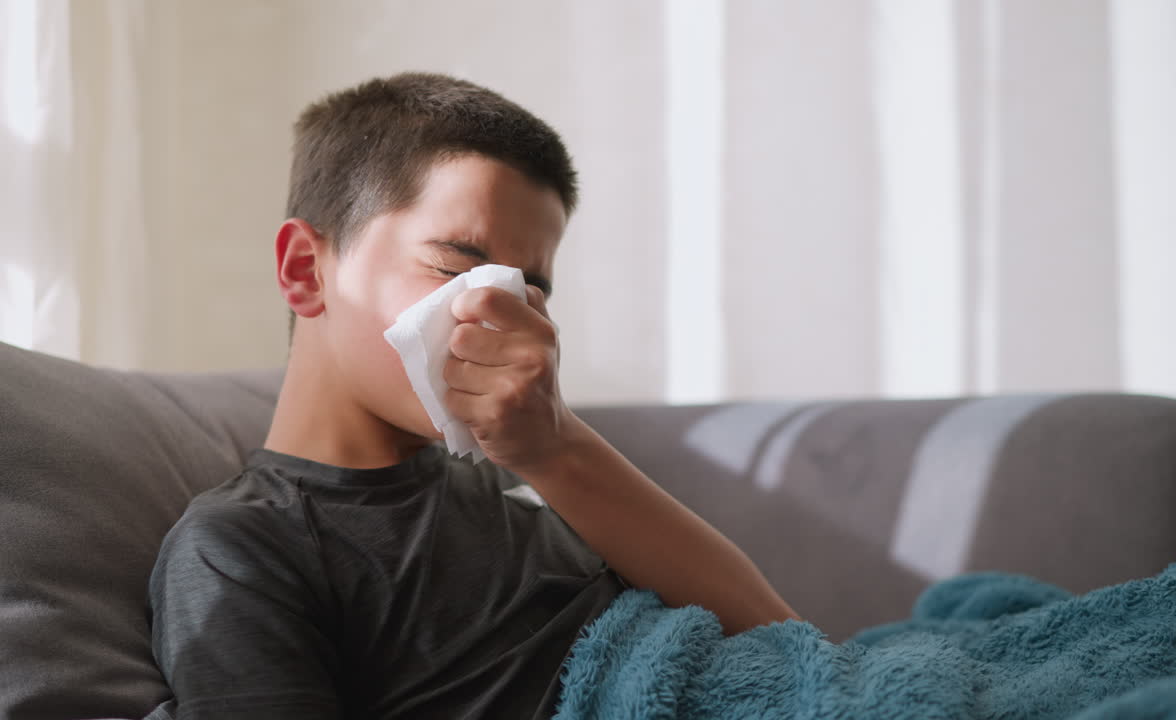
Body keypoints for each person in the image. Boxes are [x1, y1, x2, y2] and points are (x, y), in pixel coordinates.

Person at [147, 71, 799, 719]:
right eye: (454, 269)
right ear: (305, 271)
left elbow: (782, 644)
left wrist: (554, 447)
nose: (495, 315)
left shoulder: (528, 480)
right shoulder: (244, 545)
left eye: (528, 292)